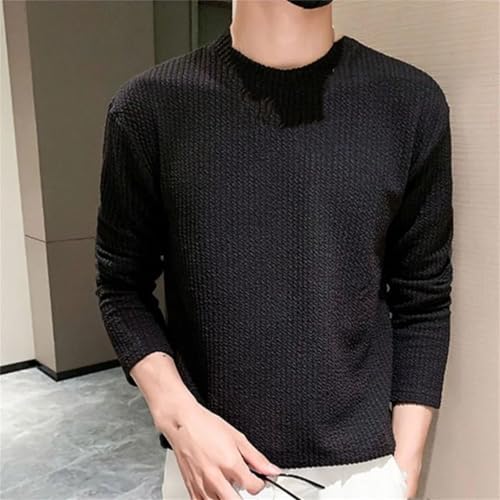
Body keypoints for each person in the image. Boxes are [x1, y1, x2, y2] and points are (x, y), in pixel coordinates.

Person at [94, 0, 454, 498]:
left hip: (366, 473)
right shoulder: (150, 108)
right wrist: (178, 417)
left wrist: (403, 473)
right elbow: (121, 285)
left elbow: (424, 297)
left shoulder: (409, 103)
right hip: (214, 466)